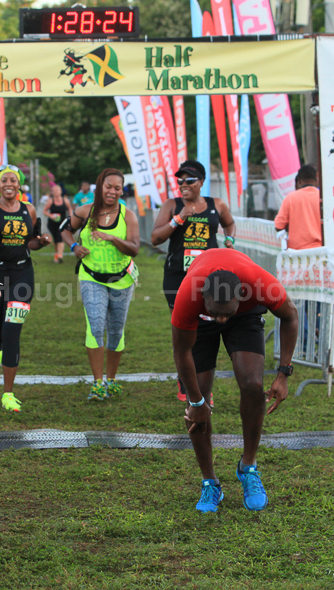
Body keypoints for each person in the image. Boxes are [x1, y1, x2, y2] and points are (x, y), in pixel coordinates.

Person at [172, 249, 298, 513]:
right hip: (201, 320)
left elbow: (290, 316)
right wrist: (197, 402)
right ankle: (210, 483)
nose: (221, 320)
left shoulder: (259, 283)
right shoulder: (188, 293)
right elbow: (182, 352)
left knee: (253, 385)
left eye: (225, 313)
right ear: (203, 297)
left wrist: (283, 374)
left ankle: (248, 467)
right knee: (198, 396)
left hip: (244, 316)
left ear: (241, 293)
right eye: (216, 313)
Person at [150, 159, 236, 402]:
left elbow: (229, 223)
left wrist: (230, 240)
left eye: (189, 180)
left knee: (205, 331)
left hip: (209, 276)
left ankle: (202, 385)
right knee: (182, 330)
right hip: (178, 276)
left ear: (201, 182)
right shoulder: (172, 205)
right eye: (180, 181)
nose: (183, 185)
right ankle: (185, 381)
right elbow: (155, 238)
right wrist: (177, 219)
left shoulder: (216, 204)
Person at [0, 165, 52, 412]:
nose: (9, 184)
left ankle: (8, 393)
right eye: (4, 180)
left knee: (11, 331)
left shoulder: (29, 209)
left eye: (13, 180)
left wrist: (41, 242)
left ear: (19, 184)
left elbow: (31, 242)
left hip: (21, 274)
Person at [61, 168, 140, 401]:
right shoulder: (85, 211)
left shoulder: (128, 216)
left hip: (121, 279)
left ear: (122, 191)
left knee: (116, 330)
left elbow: (134, 248)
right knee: (95, 325)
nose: (112, 191)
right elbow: (65, 229)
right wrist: (74, 247)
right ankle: (97, 384)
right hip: (91, 277)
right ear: (100, 187)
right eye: (108, 187)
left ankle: (111, 380)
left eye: (117, 188)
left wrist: (112, 238)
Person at [274, 165, 323, 250]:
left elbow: (278, 226)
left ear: (299, 181)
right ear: (316, 180)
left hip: (298, 252)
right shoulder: (323, 197)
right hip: (320, 250)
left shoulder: (290, 198)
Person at [43, 183, 73, 264]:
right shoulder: (50, 201)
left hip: (62, 223)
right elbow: (44, 211)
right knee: (56, 240)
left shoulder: (65, 200)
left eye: (57, 190)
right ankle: (56, 255)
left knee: (60, 238)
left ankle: (60, 256)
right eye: (54, 190)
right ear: (52, 192)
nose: (56, 192)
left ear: (60, 191)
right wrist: (51, 215)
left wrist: (70, 217)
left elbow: (70, 209)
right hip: (52, 224)